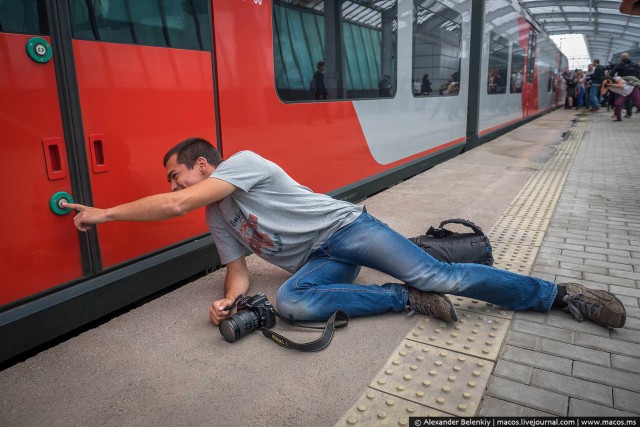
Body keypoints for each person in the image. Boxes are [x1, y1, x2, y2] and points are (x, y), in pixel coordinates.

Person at [63, 138, 627, 330]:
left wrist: (105, 215)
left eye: (177, 173)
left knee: (441, 273)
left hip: (347, 229)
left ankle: (561, 296)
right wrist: (227, 304)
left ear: (205, 167)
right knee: (293, 305)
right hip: (322, 262)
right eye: (172, 180)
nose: (175, 184)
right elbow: (236, 270)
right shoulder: (218, 218)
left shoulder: (245, 161)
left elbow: (173, 203)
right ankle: (402, 298)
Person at [612, 53, 638, 118]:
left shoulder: (620, 64)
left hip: (622, 84)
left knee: (619, 98)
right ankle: (629, 114)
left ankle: (616, 113)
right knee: (629, 99)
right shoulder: (633, 64)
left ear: (622, 58)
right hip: (632, 84)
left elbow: (612, 72)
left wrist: (612, 79)